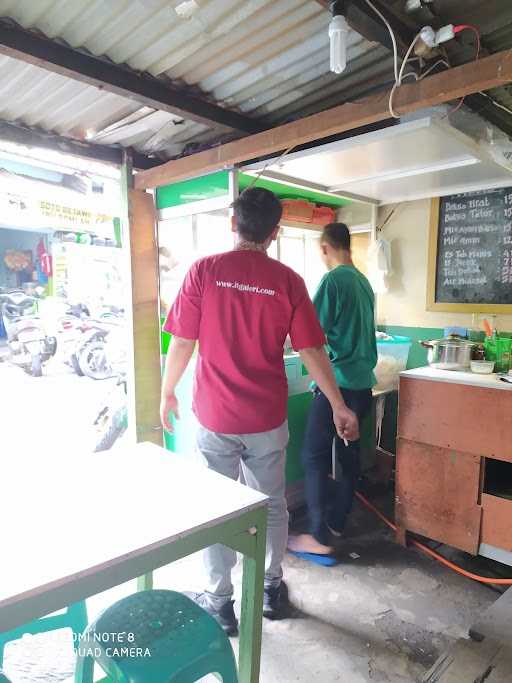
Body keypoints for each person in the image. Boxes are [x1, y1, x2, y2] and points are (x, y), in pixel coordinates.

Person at [160, 189, 358, 636]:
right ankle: (271, 590)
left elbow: (183, 342)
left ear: (234, 224)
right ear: (274, 232)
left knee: (215, 507)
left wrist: (167, 392)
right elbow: (310, 348)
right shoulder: (287, 281)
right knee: (271, 507)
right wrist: (340, 404)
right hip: (266, 418)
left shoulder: (204, 272)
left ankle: (219, 601)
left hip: (215, 416)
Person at [288, 223, 377, 556]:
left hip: (335, 387)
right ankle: (337, 522)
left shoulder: (333, 280)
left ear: (325, 248)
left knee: (314, 455)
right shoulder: (363, 282)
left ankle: (318, 537)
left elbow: (310, 334)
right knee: (350, 456)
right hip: (362, 385)